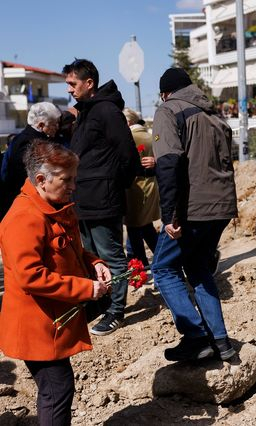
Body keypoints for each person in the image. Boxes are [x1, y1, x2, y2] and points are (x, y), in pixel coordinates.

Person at [0, 140, 111, 426]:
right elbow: (30, 275)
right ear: (41, 180)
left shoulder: (53, 206)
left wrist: (94, 263)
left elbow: (71, 249)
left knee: (58, 388)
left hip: (52, 322)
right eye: (67, 179)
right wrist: (86, 288)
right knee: (56, 390)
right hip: (36, 326)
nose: (74, 185)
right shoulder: (24, 217)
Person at [151, 67, 238, 362]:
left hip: (193, 209)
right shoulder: (215, 116)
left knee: (163, 269)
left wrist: (169, 216)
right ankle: (221, 341)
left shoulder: (168, 109)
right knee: (198, 268)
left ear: (165, 93)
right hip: (223, 205)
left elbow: (168, 165)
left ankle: (196, 336)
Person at [62, 58, 140, 336]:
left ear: (89, 83)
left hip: (103, 199)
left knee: (112, 257)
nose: (69, 89)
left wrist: (112, 184)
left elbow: (128, 155)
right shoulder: (85, 112)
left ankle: (117, 311)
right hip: (84, 199)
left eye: (73, 83)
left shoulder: (106, 110)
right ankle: (102, 303)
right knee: (92, 257)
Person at [0, 102, 60, 216]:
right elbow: (27, 176)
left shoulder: (26, 138)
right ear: (41, 125)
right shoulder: (28, 142)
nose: (57, 127)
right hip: (27, 204)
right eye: (54, 124)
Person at [122, 107, 160, 266]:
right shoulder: (149, 135)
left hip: (136, 187)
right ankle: (159, 257)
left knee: (134, 227)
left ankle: (140, 262)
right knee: (145, 226)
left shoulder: (131, 136)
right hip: (151, 183)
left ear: (128, 121)